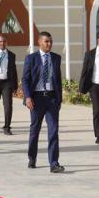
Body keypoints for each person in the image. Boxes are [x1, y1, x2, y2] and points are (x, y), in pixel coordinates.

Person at [22, 31, 64, 173]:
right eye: (46, 41)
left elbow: (58, 80)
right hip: (36, 99)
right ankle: (32, 157)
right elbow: (25, 79)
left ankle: (54, 162)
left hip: (51, 98)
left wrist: (59, 99)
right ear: (39, 42)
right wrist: (28, 97)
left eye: (51, 42)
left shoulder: (56, 58)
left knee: (53, 131)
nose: (49, 44)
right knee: (35, 129)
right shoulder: (31, 58)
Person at [0, 34, 18, 134]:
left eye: (4, 41)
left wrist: (15, 86)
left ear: (7, 43)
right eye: (0, 41)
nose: (2, 43)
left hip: (7, 83)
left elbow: (14, 71)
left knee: (8, 106)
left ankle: (7, 127)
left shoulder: (11, 55)